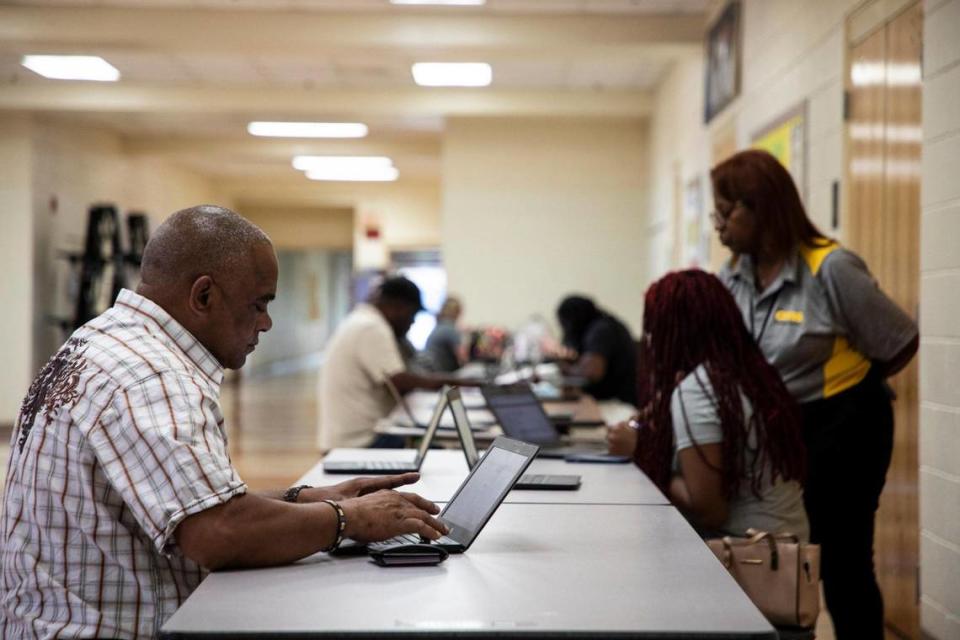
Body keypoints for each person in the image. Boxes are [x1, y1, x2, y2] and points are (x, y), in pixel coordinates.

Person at [0, 206, 447, 638]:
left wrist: (303, 498)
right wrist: (348, 519)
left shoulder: (103, 341)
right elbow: (217, 533)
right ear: (204, 296)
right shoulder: (150, 376)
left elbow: (192, 507)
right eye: (259, 304)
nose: (267, 322)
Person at [710, 149, 919, 639]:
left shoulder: (831, 267)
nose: (718, 225)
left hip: (846, 425)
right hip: (781, 431)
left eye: (726, 212)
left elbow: (899, 341)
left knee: (844, 562)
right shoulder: (732, 275)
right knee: (786, 551)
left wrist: (845, 381)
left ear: (760, 208)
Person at [608, 270, 808, 538]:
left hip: (748, 558)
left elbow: (709, 511)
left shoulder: (698, 390)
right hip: (787, 547)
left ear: (672, 333)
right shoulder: (749, 374)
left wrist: (641, 451)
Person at [318, 277, 473, 450]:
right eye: (412, 314)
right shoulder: (371, 327)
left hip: (357, 438)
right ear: (397, 307)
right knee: (445, 454)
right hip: (360, 443)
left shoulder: (362, 320)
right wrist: (462, 382)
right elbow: (400, 381)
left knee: (435, 445)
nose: (412, 322)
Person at [555, 295, 637, 405]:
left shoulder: (600, 330)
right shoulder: (604, 324)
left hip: (619, 404)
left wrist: (565, 369)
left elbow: (592, 372)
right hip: (616, 399)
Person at [423, 296, 464, 373]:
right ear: (457, 312)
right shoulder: (450, 329)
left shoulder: (439, 326)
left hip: (433, 373)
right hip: (443, 374)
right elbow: (462, 358)